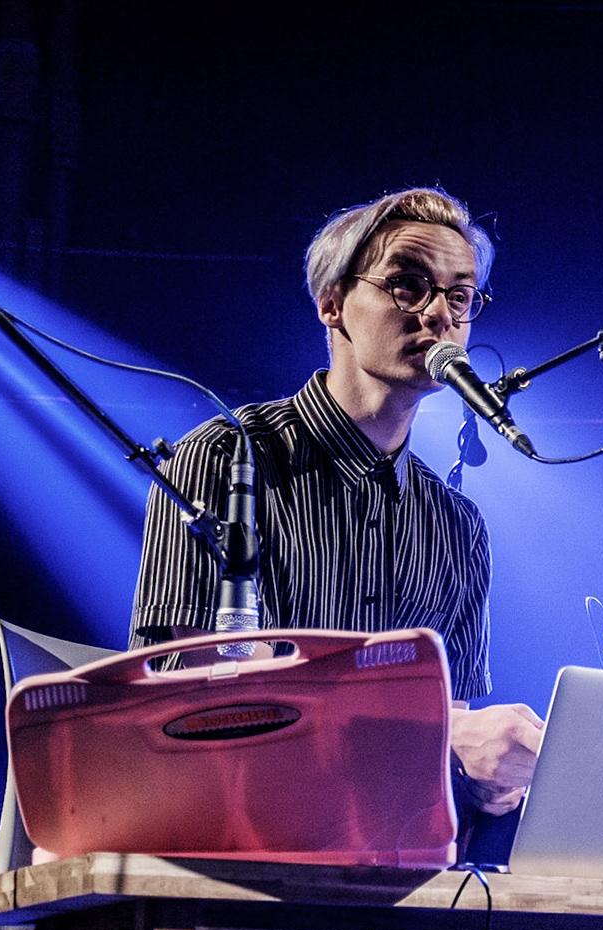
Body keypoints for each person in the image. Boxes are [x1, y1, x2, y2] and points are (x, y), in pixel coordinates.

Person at [130, 187, 541, 821]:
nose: (440, 316)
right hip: (229, 853)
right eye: (408, 285)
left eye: (460, 297)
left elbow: (451, 715)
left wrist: (490, 773)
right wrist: (436, 736)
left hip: (401, 867)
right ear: (332, 303)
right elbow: (191, 685)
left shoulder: (458, 525)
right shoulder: (228, 458)